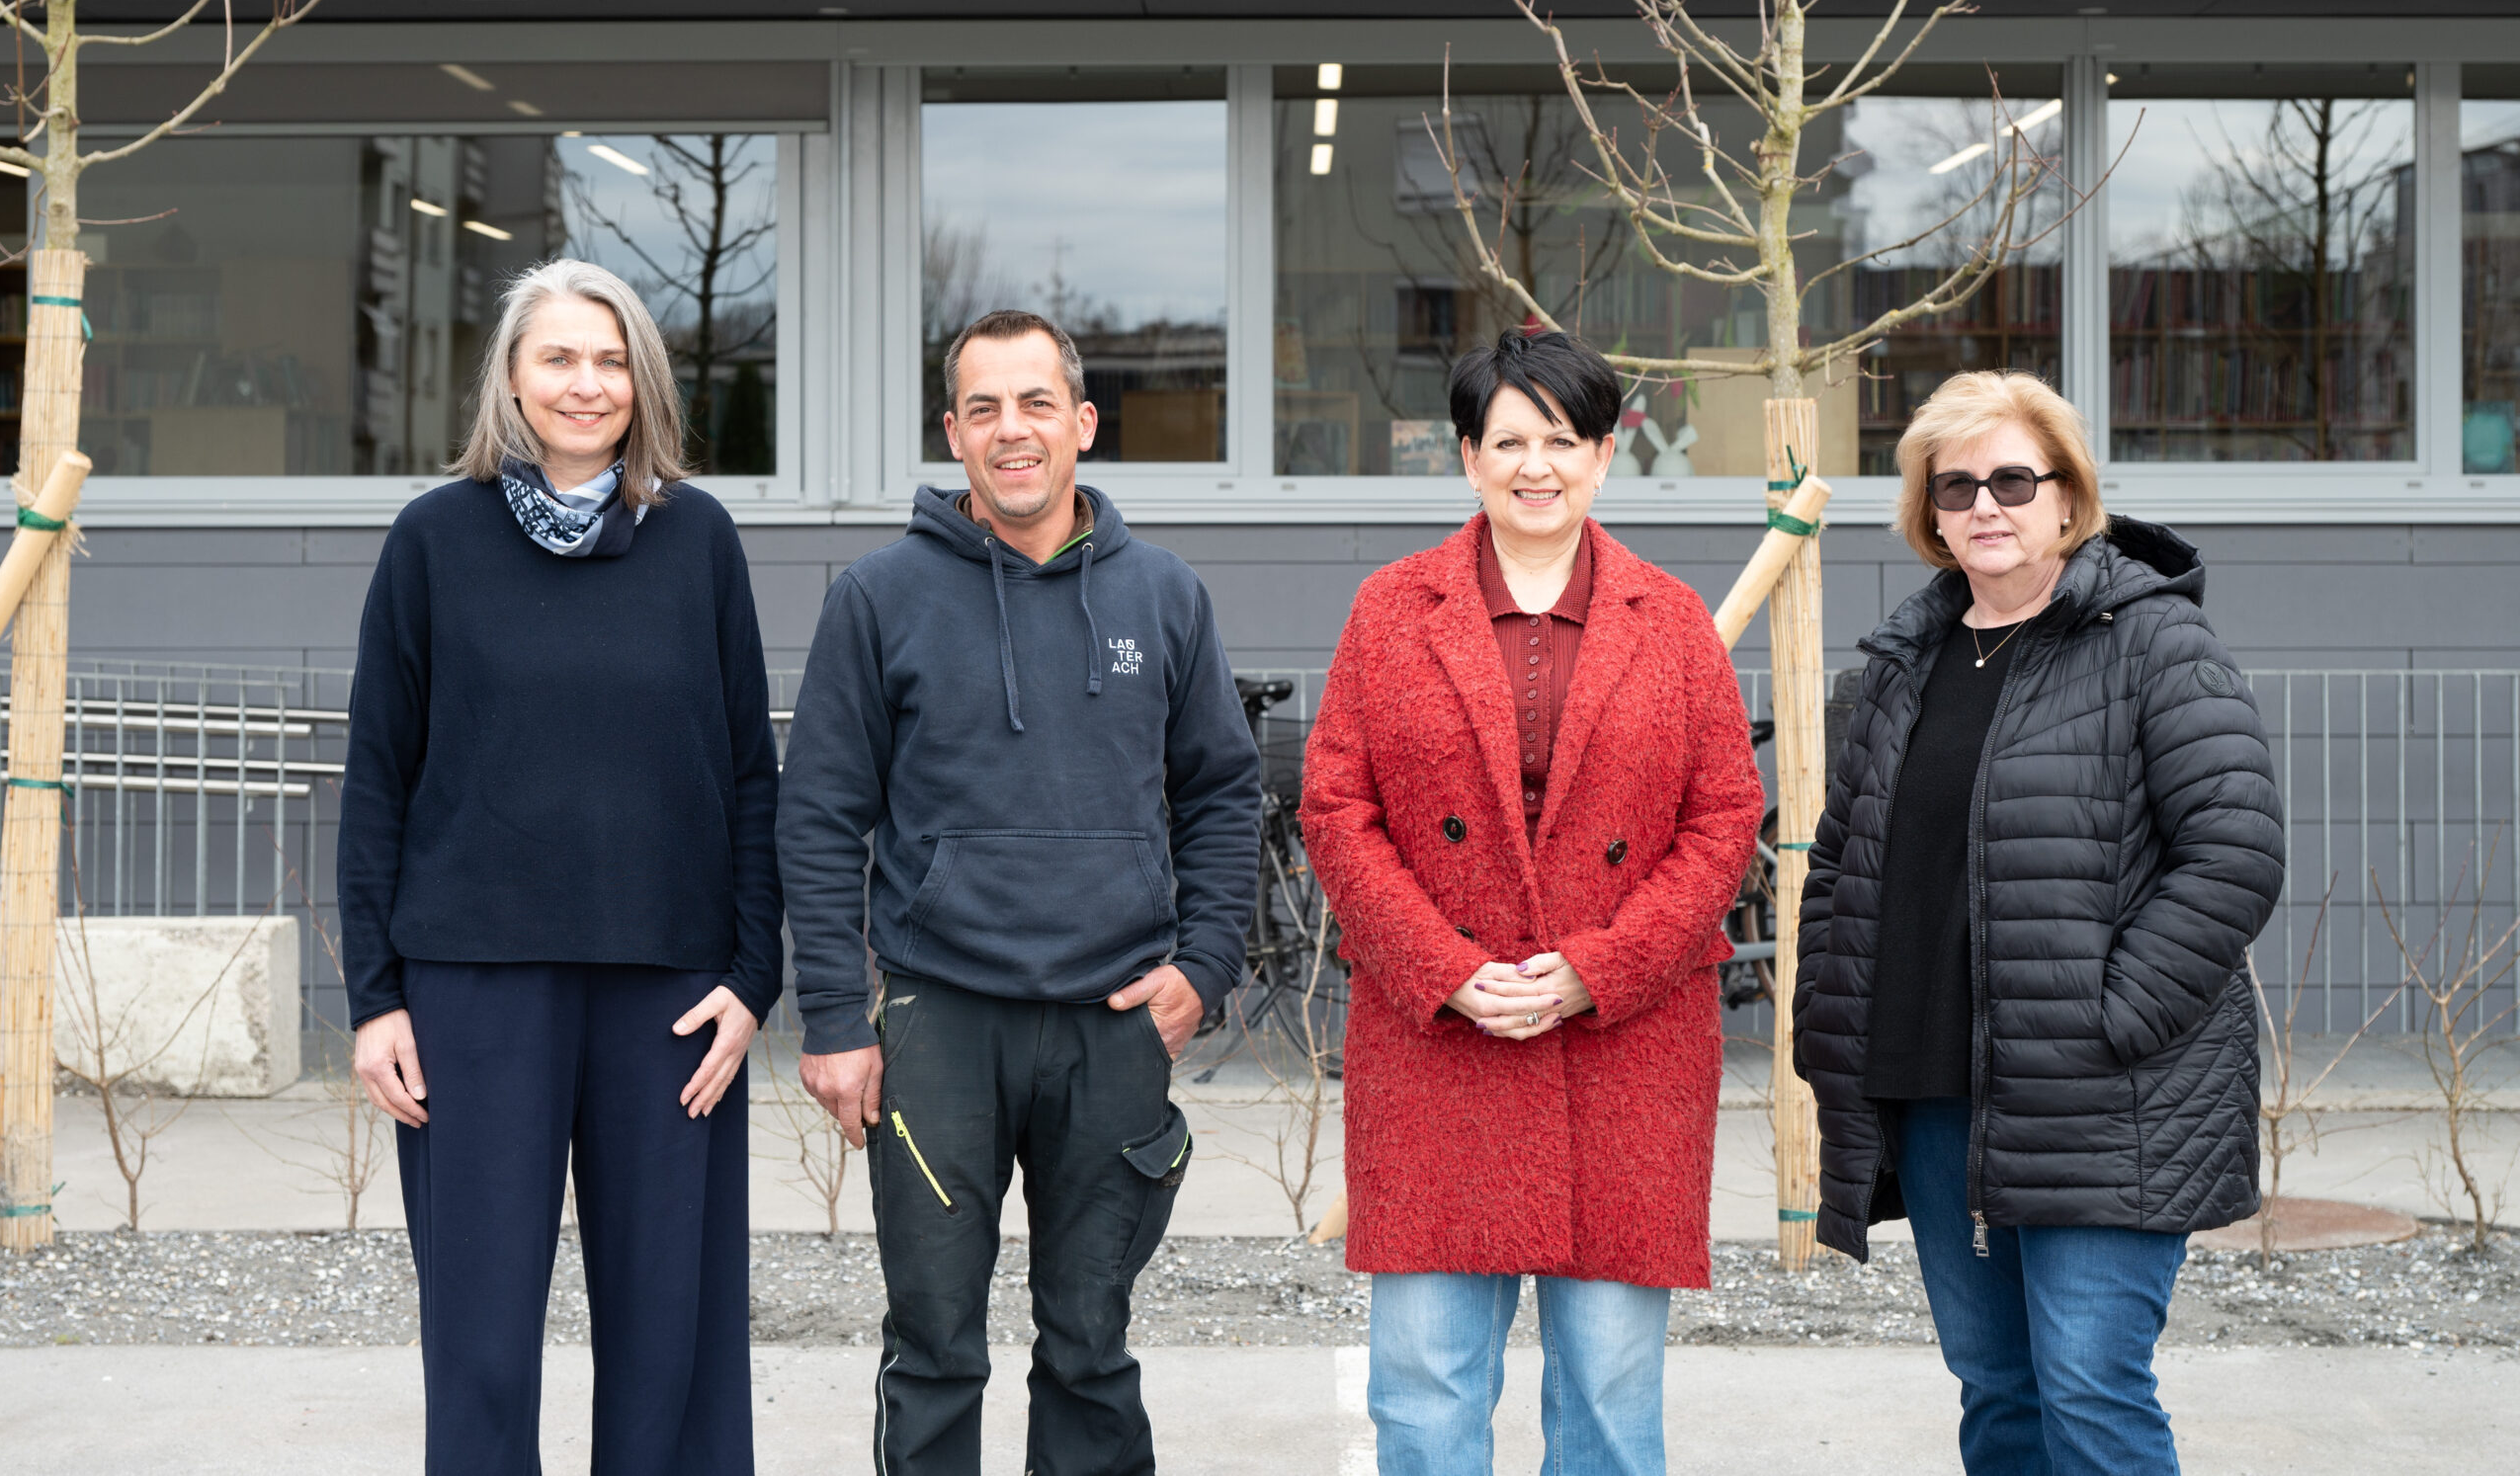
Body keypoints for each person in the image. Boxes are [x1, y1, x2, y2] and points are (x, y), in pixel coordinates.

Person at [777, 308, 1262, 1476]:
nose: (1012, 429)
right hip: (938, 1025)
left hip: (1114, 1021)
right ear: (953, 432)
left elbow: (1220, 793)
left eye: (1036, 402)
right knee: (934, 1344)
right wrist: (837, 1021)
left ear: (1082, 422)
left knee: (1091, 1341)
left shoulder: (1164, 596)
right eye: (983, 407)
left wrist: (1201, 967)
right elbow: (818, 813)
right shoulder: (879, 596)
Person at [1794, 370, 2285, 1476]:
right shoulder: (1896, 668)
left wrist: (2107, 1015)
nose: (1985, 504)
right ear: (1926, 511)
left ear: (2069, 497)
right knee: (1999, 1391)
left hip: (2101, 1093)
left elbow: (2234, 851)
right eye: (1955, 483)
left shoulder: (2155, 647)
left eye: (2014, 478)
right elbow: (1841, 858)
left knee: (2090, 1390)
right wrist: (1831, 1012)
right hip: (1927, 1093)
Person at [342, 258, 782, 1476]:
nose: (585, 384)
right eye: (558, 358)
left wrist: (754, 974)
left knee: (674, 1335)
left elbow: (751, 769)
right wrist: (375, 997)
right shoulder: (435, 538)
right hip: (473, 990)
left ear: (640, 379)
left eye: (608, 360)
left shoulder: (697, 538)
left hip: (674, 994)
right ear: (514, 378)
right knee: (480, 1337)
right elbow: (378, 774)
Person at [1301, 328, 1766, 1476]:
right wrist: (1443, 965)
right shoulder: (1389, 608)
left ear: (1606, 454)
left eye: (1561, 438)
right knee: (1422, 1393)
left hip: (1625, 1048)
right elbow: (1334, 805)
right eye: (1507, 439)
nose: (1535, 464)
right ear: (1466, 458)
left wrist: (1598, 966)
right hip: (1437, 1046)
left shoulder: (1670, 619)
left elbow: (1723, 820)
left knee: (1609, 1401)